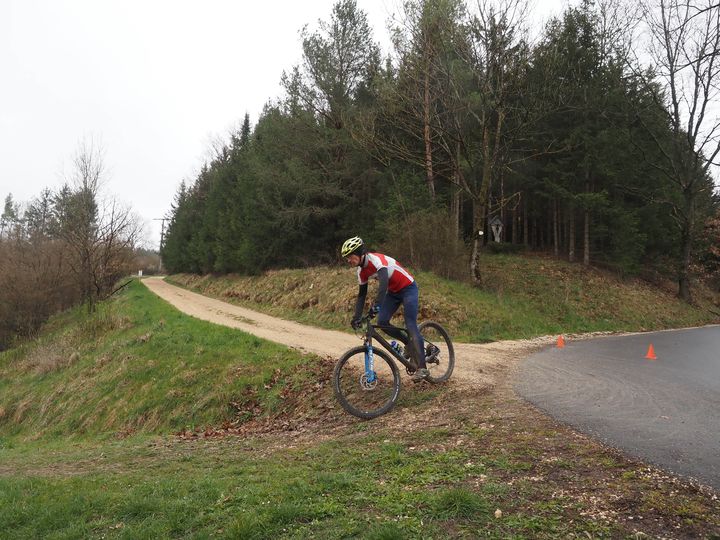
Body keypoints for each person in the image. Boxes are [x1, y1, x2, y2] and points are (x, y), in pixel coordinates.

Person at [340, 236, 429, 382]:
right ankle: (408, 343)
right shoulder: (361, 271)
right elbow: (361, 295)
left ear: (360, 253)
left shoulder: (376, 260)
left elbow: (383, 284)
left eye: (350, 256)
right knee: (382, 322)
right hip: (394, 293)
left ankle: (422, 368)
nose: (348, 260)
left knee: (410, 324)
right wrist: (356, 317)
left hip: (408, 288)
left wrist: (377, 305)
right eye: (347, 258)